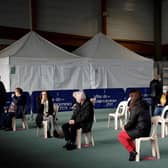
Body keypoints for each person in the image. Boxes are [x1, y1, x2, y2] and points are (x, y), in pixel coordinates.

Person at [118, 89, 151, 161]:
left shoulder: (136, 106)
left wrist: (124, 127)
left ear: (135, 97)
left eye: (131, 96)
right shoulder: (144, 103)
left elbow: (131, 121)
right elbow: (137, 120)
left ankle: (131, 151)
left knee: (121, 136)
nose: (130, 98)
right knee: (127, 136)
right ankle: (134, 152)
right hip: (146, 129)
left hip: (140, 130)